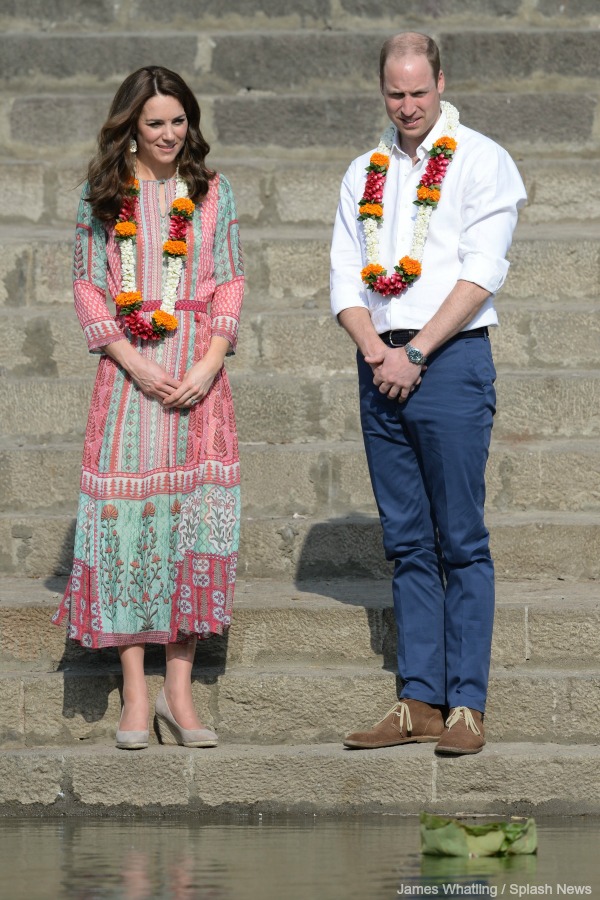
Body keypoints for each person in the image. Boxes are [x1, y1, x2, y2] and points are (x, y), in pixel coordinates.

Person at [330, 33, 526, 754]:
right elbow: (345, 275)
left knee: (460, 538)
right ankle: (419, 699)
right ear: (382, 90)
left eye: (419, 91)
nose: (407, 106)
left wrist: (413, 352)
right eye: (395, 93)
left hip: (448, 357)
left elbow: (481, 273)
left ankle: (466, 704)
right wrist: (378, 350)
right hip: (378, 359)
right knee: (407, 540)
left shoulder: (481, 159)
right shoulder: (365, 170)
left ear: (440, 82)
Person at [52, 66, 244, 750]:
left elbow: (229, 279)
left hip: (198, 376)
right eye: (155, 122)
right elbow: (87, 289)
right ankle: (135, 691)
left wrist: (209, 361)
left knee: (190, 524)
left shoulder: (213, 191)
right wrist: (132, 361)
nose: (169, 134)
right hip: (129, 378)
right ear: (131, 125)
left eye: (178, 120)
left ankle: (178, 691)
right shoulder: (101, 196)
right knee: (131, 526)